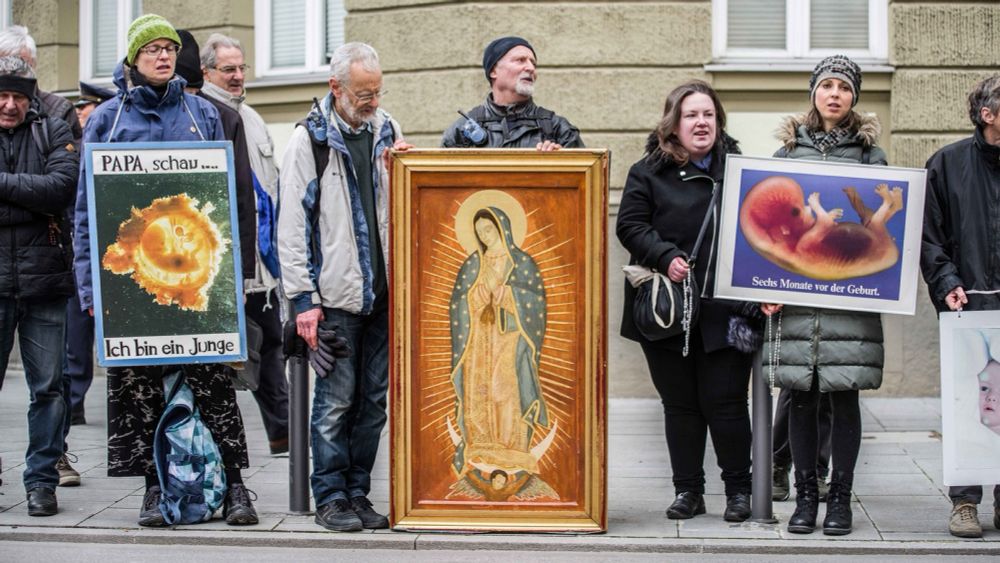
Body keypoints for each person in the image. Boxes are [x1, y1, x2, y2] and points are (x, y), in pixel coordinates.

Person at [72, 14, 257, 527]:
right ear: (134, 59)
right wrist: (91, 287)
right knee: (140, 387)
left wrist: (234, 280)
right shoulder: (107, 121)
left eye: (169, 48)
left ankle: (236, 487)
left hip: (198, 275)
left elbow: (225, 203)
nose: (162, 56)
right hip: (131, 280)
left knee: (214, 384)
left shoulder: (203, 114)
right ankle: (154, 490)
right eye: (151, 49)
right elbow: (88, 213)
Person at [278, 41, 411, 532]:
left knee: (373, 403)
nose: (372, 101)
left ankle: (358, 492)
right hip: (333, 300)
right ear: (336, 88)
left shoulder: (388, 130)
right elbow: (290, 227)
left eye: (376, 91)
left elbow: (398, 207)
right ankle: (329, 496)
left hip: (382, 296)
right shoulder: (309, 141)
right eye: (362, 93)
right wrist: (302, 303)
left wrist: (406, 172)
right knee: (335, 403)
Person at [617, 79, 754, 523]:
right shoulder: (647, 172)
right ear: (673, 124)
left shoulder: (740, 170)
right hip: (666, 309)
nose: (701, 123)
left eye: (708, 115)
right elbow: (630, 225)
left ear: (719, 122)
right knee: (680, 405)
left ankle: (738, 490)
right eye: (691, 115)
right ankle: (688, 491)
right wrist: (666, 255)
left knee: (727, 403)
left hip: (729, 310)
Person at [763, 55, 887, 536]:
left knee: (845, 397)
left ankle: (840, 497)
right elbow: (774, 232)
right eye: (827, 85)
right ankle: (806, 495)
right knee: (800, 395)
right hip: (797, 299)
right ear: (813, 92)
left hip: (848, 300)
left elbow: (879, 227)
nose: (834, 93)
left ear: (854, 97)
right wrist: (763, 288)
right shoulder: (787, 155)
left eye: (844, 87)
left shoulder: (871, 157)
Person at [0, 24, 85, 488]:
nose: (10, 104)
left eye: (19, 96)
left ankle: (42, 480)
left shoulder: (54, 124)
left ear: (31, 96)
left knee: (50, 387)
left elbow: (61, 189)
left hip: (46, 279)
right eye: (2, 95)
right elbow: (44, 192)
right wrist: (31, 201)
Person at [199, 32, 289, 455]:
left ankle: (283, 436)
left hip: (264, 267)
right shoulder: (202, 115)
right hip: (227, 266)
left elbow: (267, 193)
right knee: (225, 363)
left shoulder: (250, 116)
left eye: (241, 68)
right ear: (207, 72)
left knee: (270, 350)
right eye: (228, 69)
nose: (237, 76)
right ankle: (221, 449)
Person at [921, 74, 1000, 539]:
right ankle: (965, 501)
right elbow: (929, 238)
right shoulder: (947, 164)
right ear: (988, 115)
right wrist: (946, 282)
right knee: (970, 400)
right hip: (966, 304)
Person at [447, 207, 550, 498]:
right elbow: (458, 303)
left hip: (509, 338)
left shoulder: (522, 263)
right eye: (479, 232)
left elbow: (536, 302)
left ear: (502, 228)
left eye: (488, 230)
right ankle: (481, 444)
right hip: (479, 340)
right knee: (479, 392)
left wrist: (508, 295)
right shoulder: (472, 264)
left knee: (504, 391)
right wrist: (476, 296)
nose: (484, 235)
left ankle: (512, 448)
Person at [442, 36, 583, 150]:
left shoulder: (558, 128)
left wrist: (561, 161)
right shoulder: (461, 131)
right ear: (493, 71)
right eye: (520, 60)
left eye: (533, 63)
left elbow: (587, 179)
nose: (530, 68)